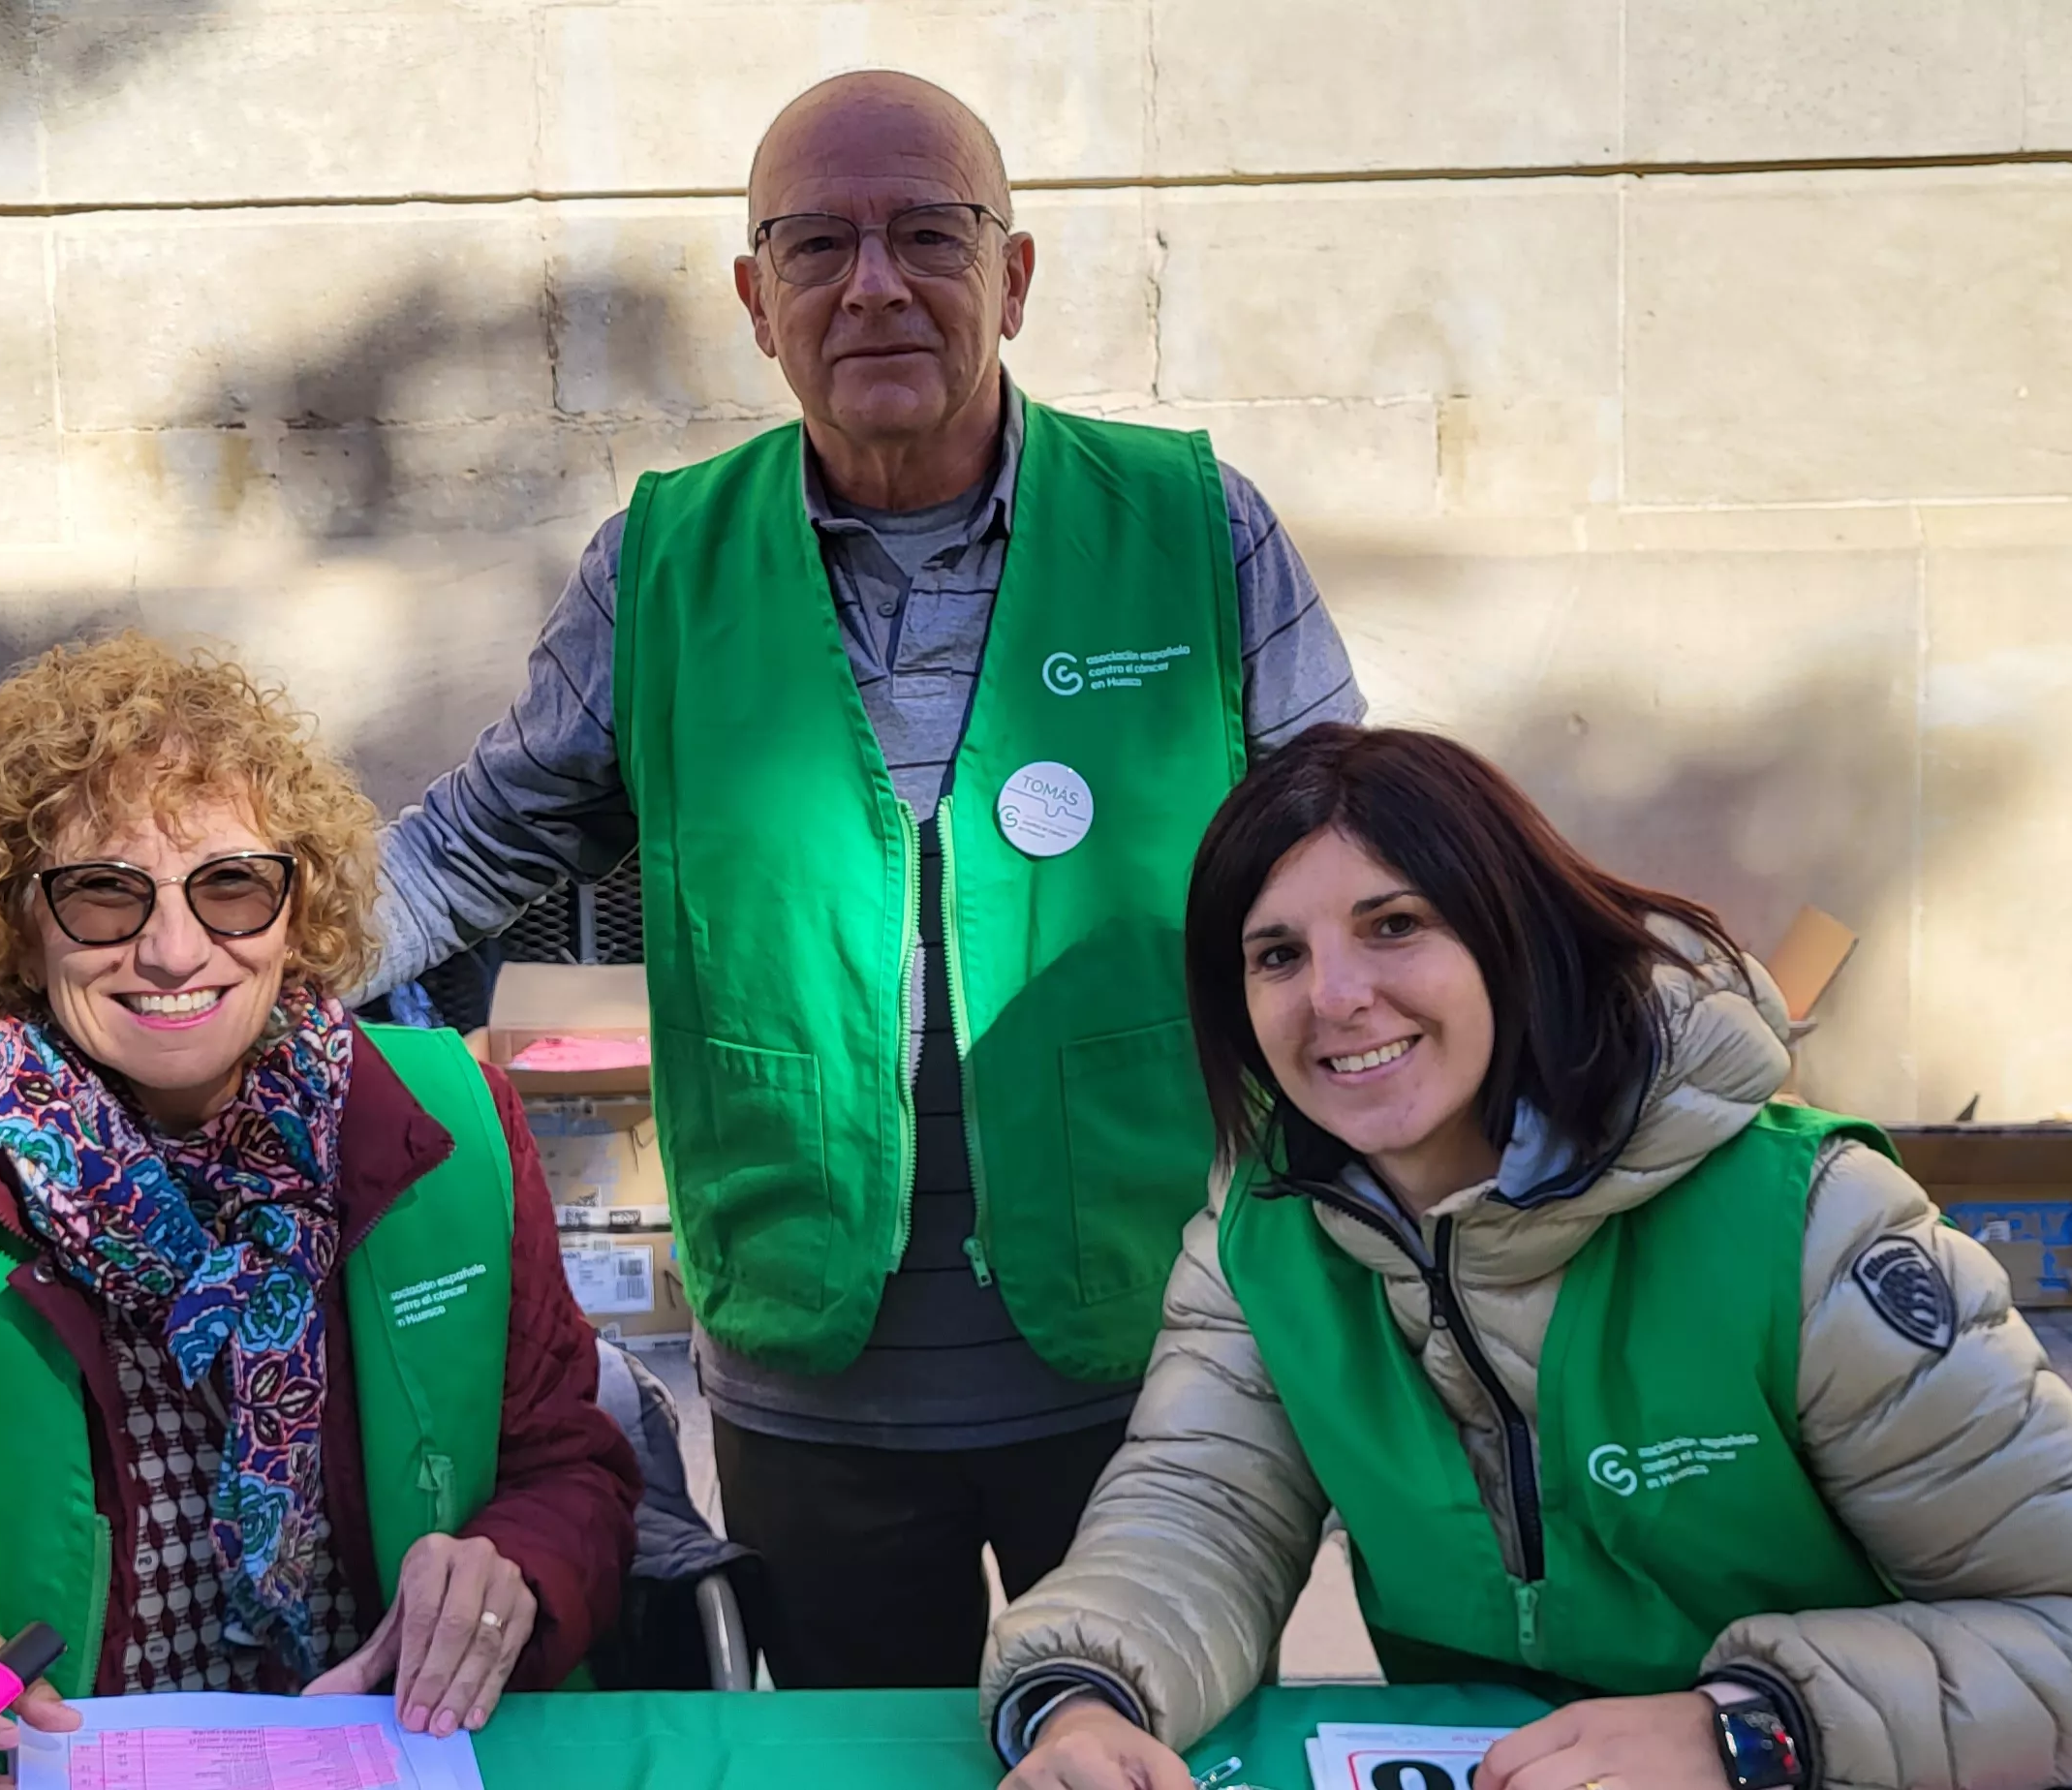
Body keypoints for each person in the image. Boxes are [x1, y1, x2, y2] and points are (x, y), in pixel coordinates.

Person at [368, 69, 1362, 1690]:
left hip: (1155, 1360)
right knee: (851, 1749)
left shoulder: (1193, 525)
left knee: (1139, 1734)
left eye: (930, 235)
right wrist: (233, 943)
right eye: (819, 246)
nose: (877, 283)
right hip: (807, 1379)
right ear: (759, 303)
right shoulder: (665, 560)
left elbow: (1361, 851)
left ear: (1015, 274)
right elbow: (483, 837)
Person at [983, 726, 2072, 1790]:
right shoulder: (1260, 1239)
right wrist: (1087, 1693)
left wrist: (1751, 1730)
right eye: (1277, 955)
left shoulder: (1814, 1224)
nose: (1336, 995)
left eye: (1395, 924)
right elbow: (1198, 1512)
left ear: (1511, 938)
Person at [0, 633, 638, 1770]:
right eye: (104, 895)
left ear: (299, 909)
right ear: (17, 919)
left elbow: (569, 1467)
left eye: (233, 887)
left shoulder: (454, 1123)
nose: (172, 949)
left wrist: (517, 1565)